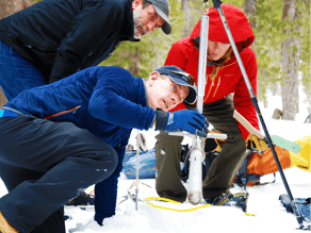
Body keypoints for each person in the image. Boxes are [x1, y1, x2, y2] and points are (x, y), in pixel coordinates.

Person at [0, 65, 208, 233]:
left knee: (44, 226)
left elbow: (108, 176)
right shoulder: (120, 78)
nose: (175, 100)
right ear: (153, 77)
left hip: (27, 161)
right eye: (174, 88)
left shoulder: (123, 126)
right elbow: (102, 106)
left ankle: (10, 216)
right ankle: (7, 214)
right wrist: (166, 120)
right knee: (104, 157)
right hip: (14, 127)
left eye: (180, 100)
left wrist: (106, 224)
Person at [155, 4, 266, 204]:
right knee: (169, 130)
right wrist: (182, 117)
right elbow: (167, 90)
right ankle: (170, 192)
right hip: (181, 99)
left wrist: (251, 129)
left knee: (242, 135)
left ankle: (215, 189)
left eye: (222, 43)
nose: (214, 48)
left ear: (233, 42)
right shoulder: (182, 50)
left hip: (217, 102)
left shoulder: (245, 59)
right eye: (211, 41)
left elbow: (244, 101)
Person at [0, 0, 171, 101]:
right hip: (16, 47)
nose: (149, 27)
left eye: (155, 26)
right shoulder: (113, 7)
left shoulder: (118, 29)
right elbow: (72, 51)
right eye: (151, 16)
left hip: (35, 58)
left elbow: (80, 67)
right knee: (35, 116)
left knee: (46, 120)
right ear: (137, 3)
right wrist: (57, 96)